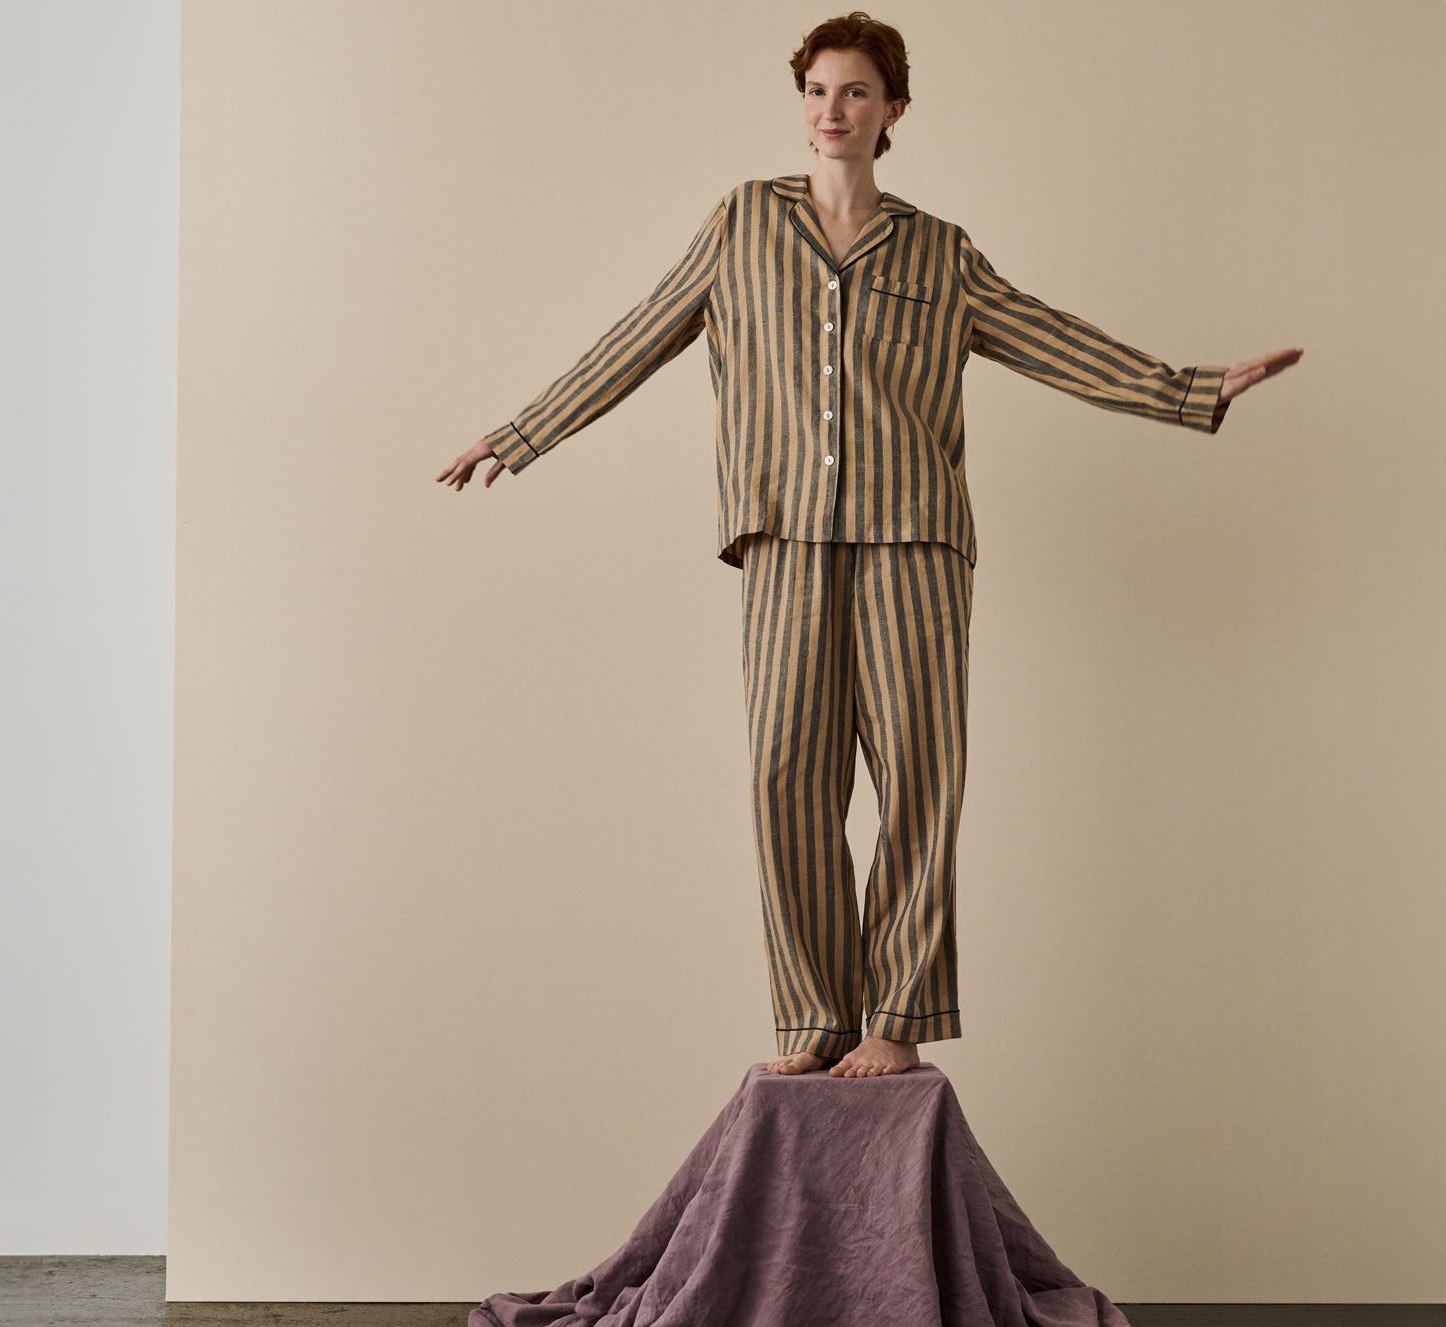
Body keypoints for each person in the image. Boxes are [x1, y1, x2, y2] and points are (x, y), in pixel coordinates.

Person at [436, 12, 1302, 1082]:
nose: (831, 110)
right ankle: (814, 1016)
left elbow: (1051, 339)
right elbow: (638, 335)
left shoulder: (941, 251)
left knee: (918, 779)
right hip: (785, 536)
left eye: (854, 91)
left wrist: (1189, 388)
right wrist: (520, 433)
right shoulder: (740, 223)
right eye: (815, 90)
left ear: (894, 109)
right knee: (785, 777)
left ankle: (896, 1016)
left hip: (915, 545)